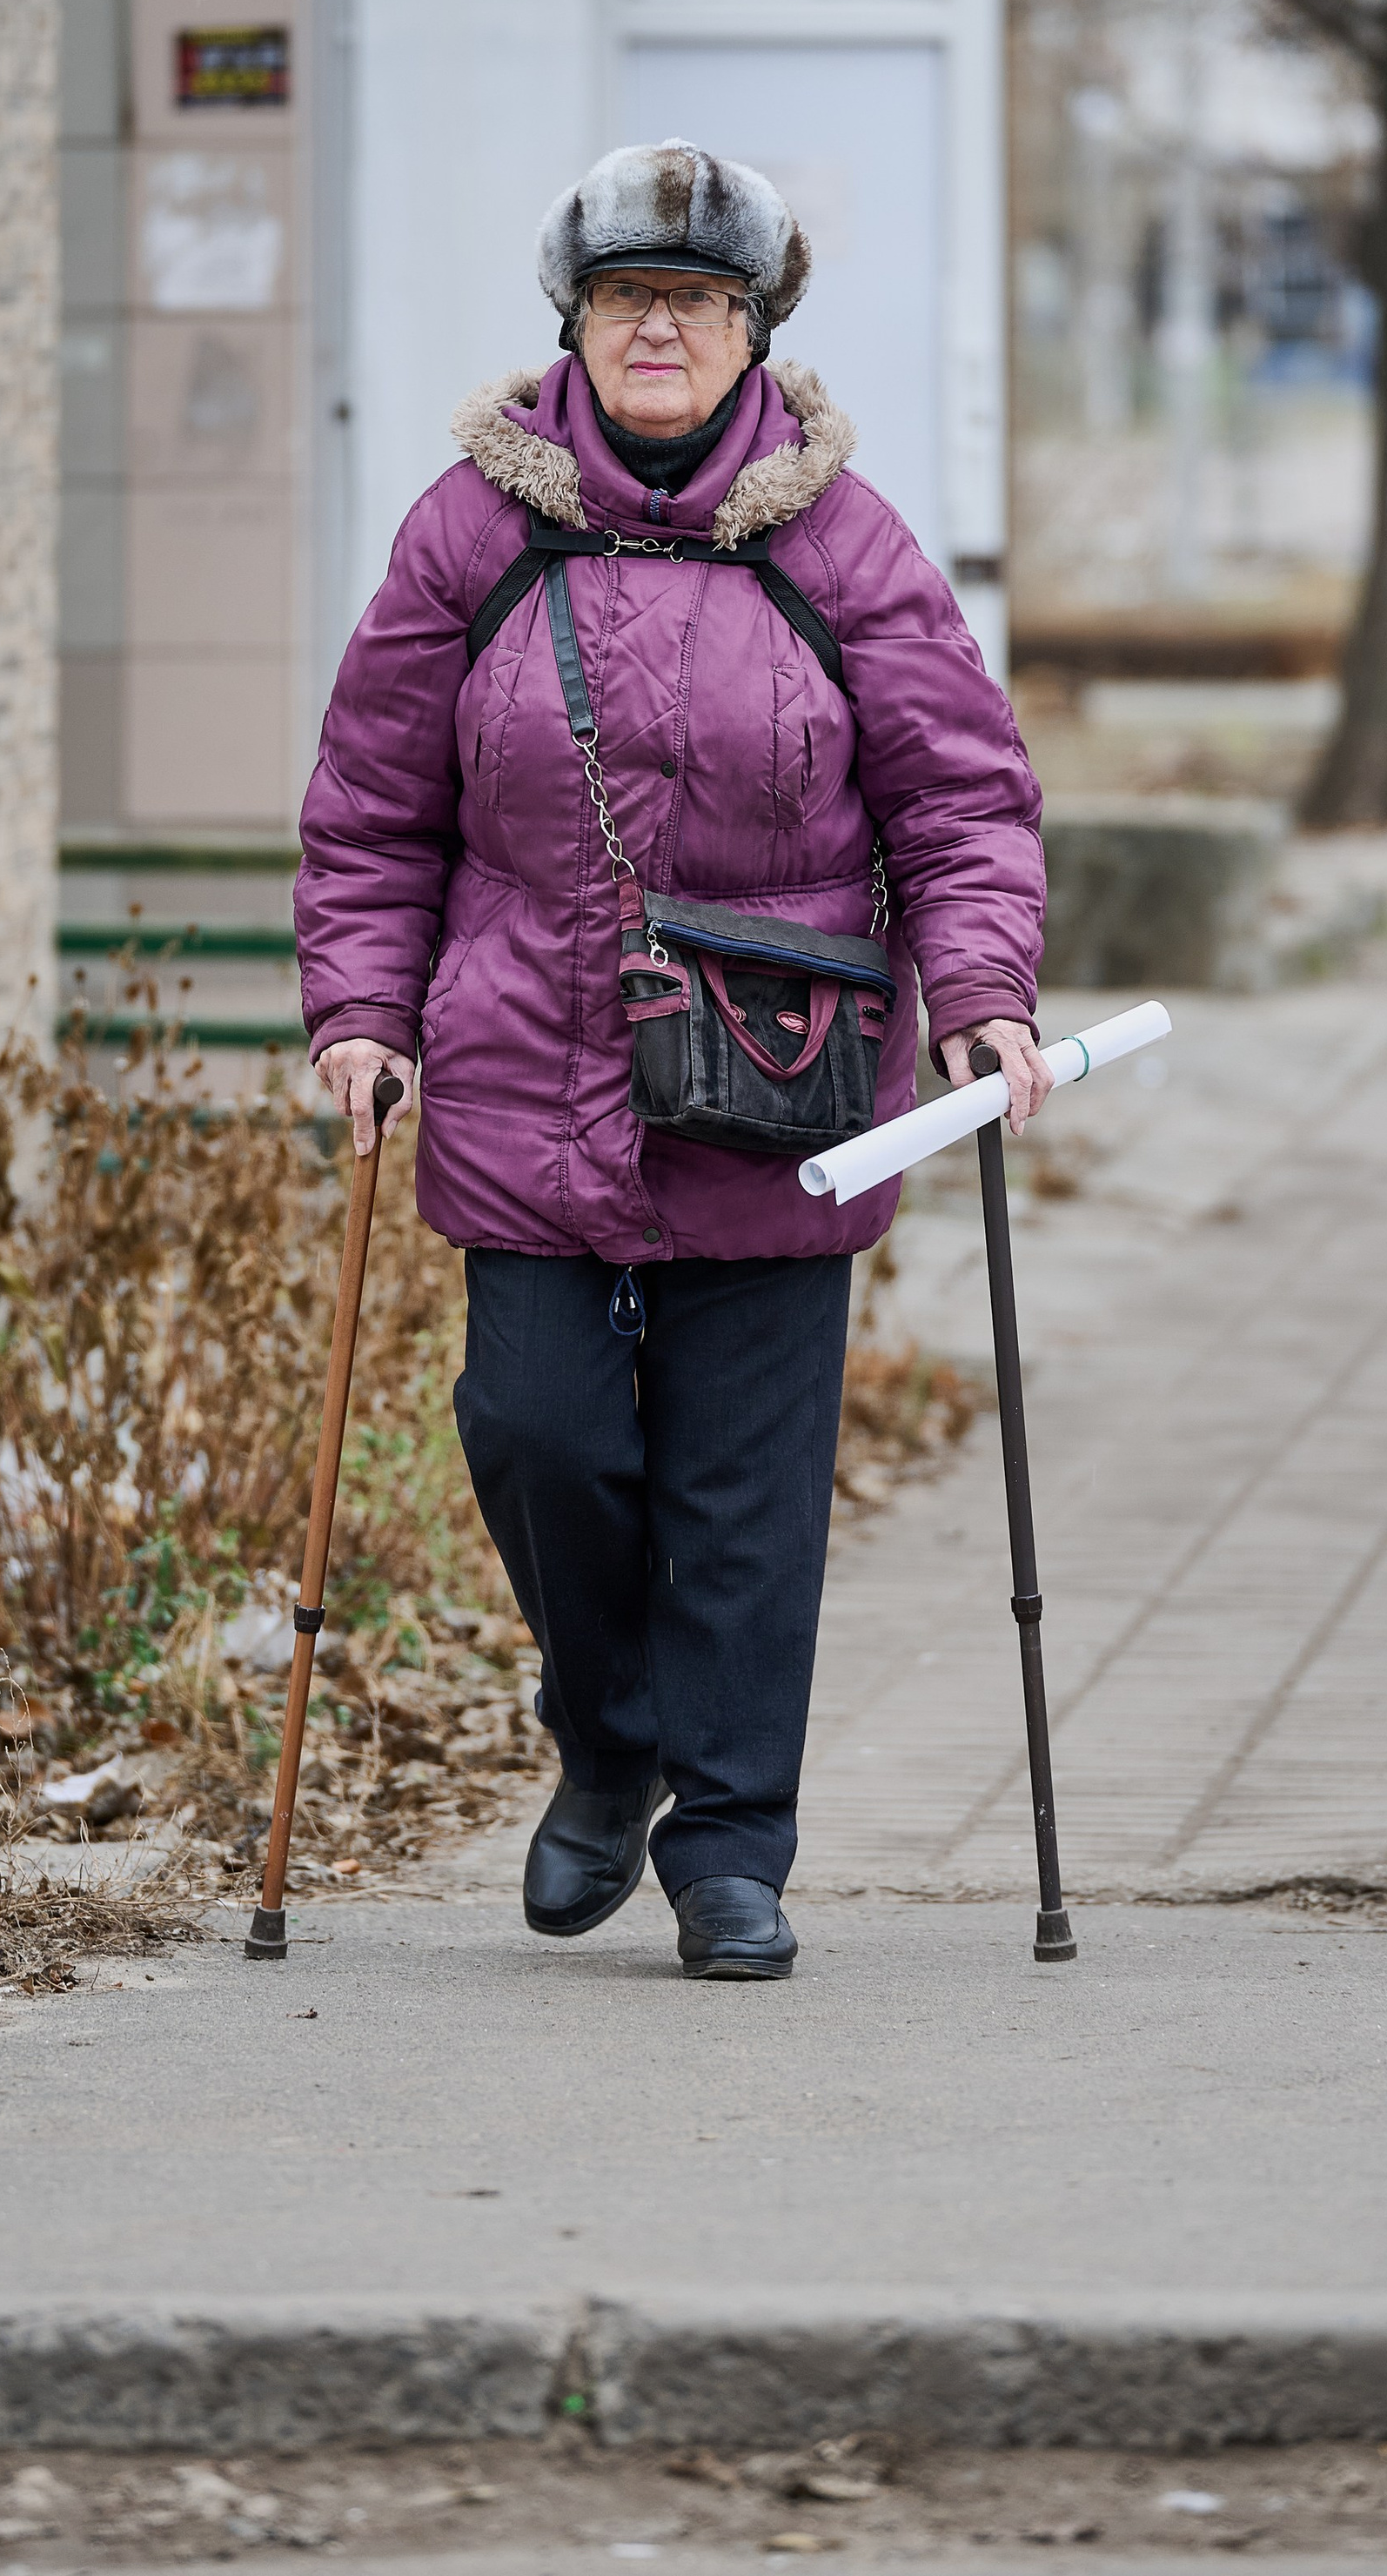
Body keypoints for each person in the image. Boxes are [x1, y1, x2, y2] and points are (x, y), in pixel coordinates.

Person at [295, 142, 1047, 1981]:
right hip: (521, 1061)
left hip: (771, 1073)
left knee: (743, 1494)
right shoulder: (470, 533)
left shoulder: (840, 539)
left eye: (696, 301)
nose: (658, 325)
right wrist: (359, 1012)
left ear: (749, 333)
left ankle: (727, 1846)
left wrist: (980, 985)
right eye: (628, 296)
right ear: (573, 323)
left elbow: (957, 795)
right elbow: (376, 808)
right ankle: (608, 1733)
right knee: (532, 1426)